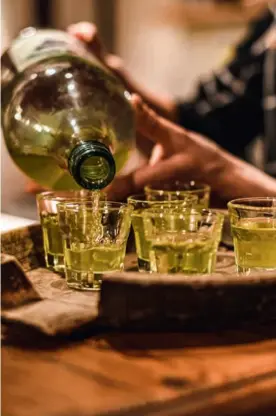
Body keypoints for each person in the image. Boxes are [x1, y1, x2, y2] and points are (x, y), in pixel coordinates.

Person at [27, 4, 276, 201]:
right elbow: (200, 129)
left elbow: (213, 162)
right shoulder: (267, 30)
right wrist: (112, 81)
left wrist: (222, 174)